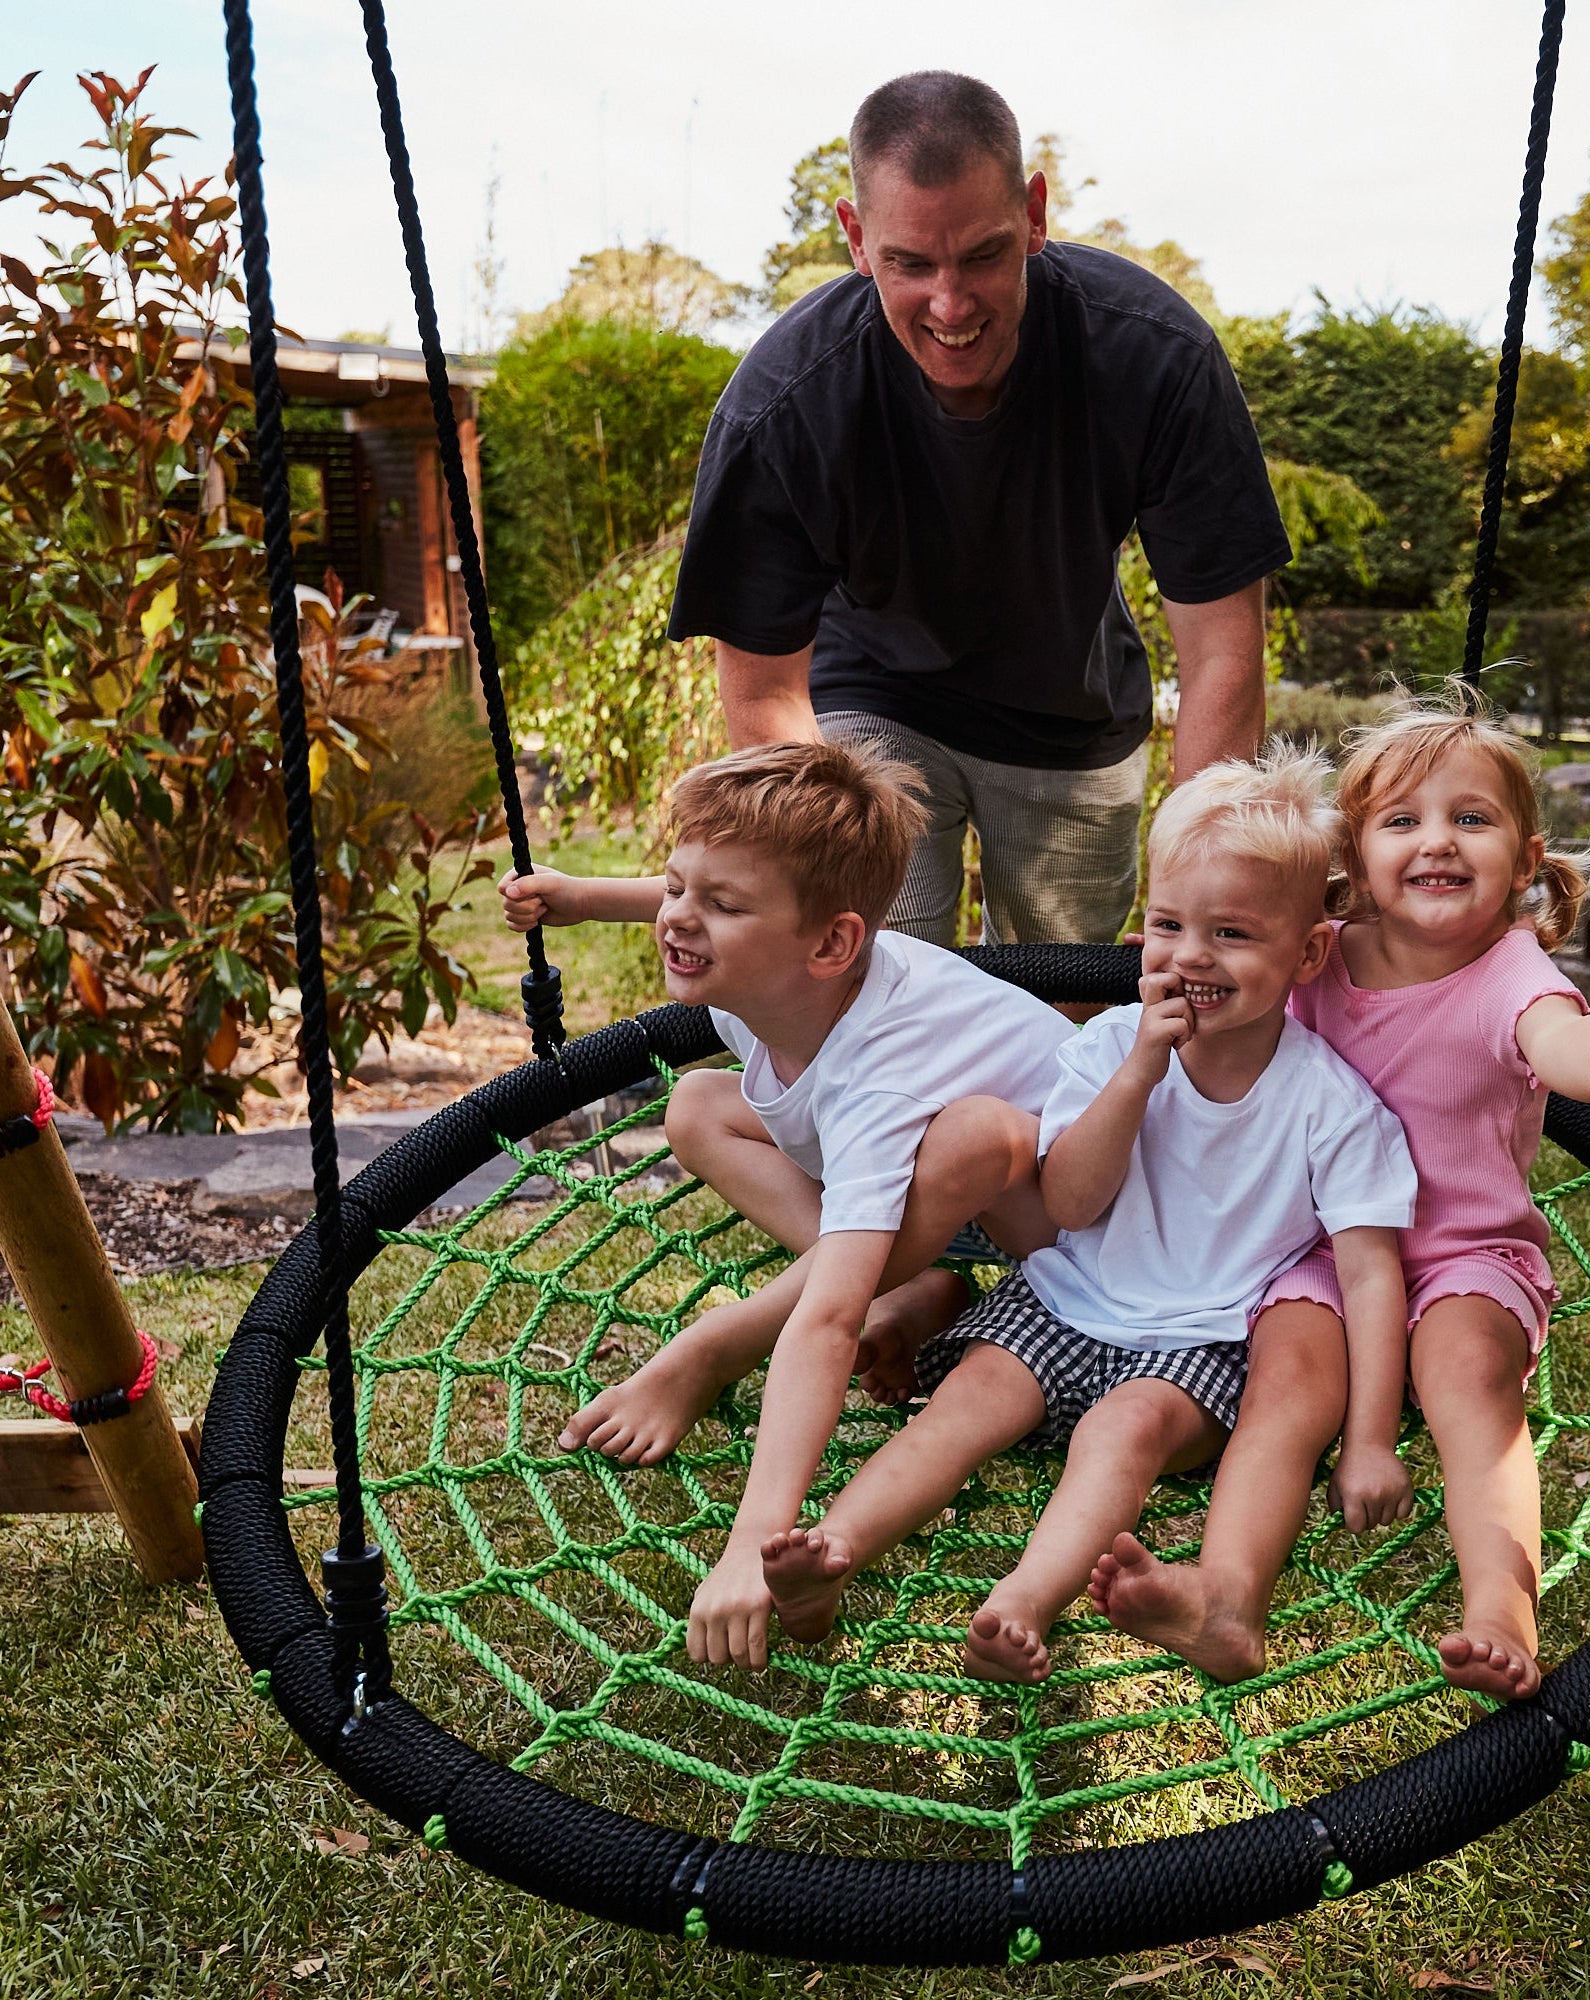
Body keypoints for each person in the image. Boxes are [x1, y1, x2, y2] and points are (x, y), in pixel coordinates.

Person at [757, 749, 1415, 1683]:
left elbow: (1369, 1274)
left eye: (1232, 934)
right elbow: (1068, 1201)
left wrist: (1370, 1440)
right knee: (965, 1403)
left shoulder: (1333, 1104)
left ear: (1306, 953)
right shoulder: (1108, 1046)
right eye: (1169, 924)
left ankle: (1024, 1601)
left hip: (1202, 1342)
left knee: (1124, 1431)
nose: (1191, 955)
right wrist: (1139, 1071)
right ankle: (831, 1554)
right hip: (1069, 1298)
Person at [1093, 694, 1590, 1700]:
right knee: (1285, 1386)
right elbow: (1217, 968)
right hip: (1314, 1249)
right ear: (1354, 861)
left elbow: (1557, 1039)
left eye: (1470, 818)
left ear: (1524, 858)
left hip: (1462, 1255)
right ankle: (1226, 1600)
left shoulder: (1510, 973)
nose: (1435, 842)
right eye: (1401, 820)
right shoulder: (1313, 953)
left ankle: (1499, 1607)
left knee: (1467, 1378)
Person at [667, 70, 1291, 946]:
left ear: (1034, 213)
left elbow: (1224, 650)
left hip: (1072, 713)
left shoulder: (1155, 358)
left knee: (1057, 1019)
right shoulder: (784, 405)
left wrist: (1203, 887)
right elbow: (765, 692)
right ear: (855, 236)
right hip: (870, 694)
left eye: (985, 256)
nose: (951, 305)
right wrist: (824, 887)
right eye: (910, 264)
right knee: (879, 984)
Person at [499, 740, 1076, 1668]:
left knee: (967, 1140)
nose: (681, 918)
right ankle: (910, 1285)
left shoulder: (881, 1071)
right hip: (951, 1205)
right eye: (679, 888)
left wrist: (751, 1534)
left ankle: (714, 1349)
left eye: (718, 906)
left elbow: (826, 1326)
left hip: (1071, 1233)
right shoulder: (764, 974)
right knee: (699, 1107)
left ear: (833, 943)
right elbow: (704, 892)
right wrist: (582, 897)